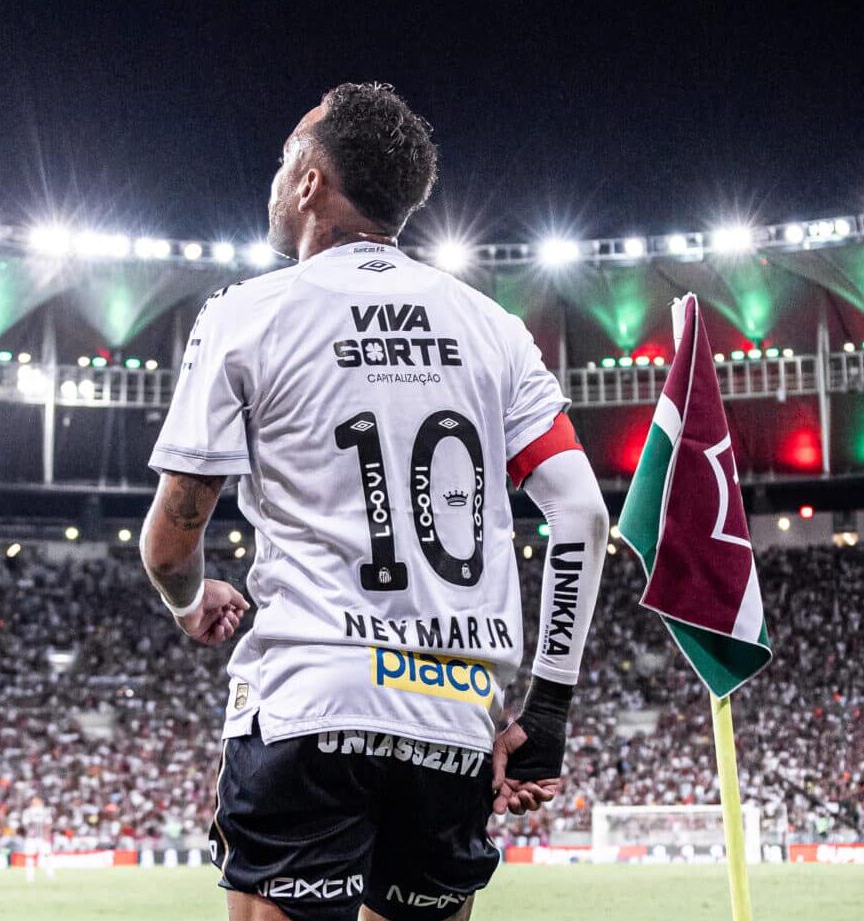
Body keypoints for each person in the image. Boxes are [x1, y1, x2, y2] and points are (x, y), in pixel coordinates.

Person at [141, 82, 608, 921]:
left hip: (310, 705)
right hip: (453, 716)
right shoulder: (492, 327)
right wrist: (549, 707)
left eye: (287, 160)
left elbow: (171, 542)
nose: (277, 180)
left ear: (312, 182)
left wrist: (188, 599)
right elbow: (579, 513)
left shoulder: (247, 315)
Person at [20, 795, 56, 882]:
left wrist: (46, 834)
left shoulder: (45, 811)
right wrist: (29, 832)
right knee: (30, 857)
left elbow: (49, 824)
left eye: (37, 800)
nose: (36, 802)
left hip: (42, 838)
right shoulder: (27, 812)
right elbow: (25, 824)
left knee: (47, 856)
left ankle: (50, 875)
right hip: (31, 839)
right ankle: (30, 877)